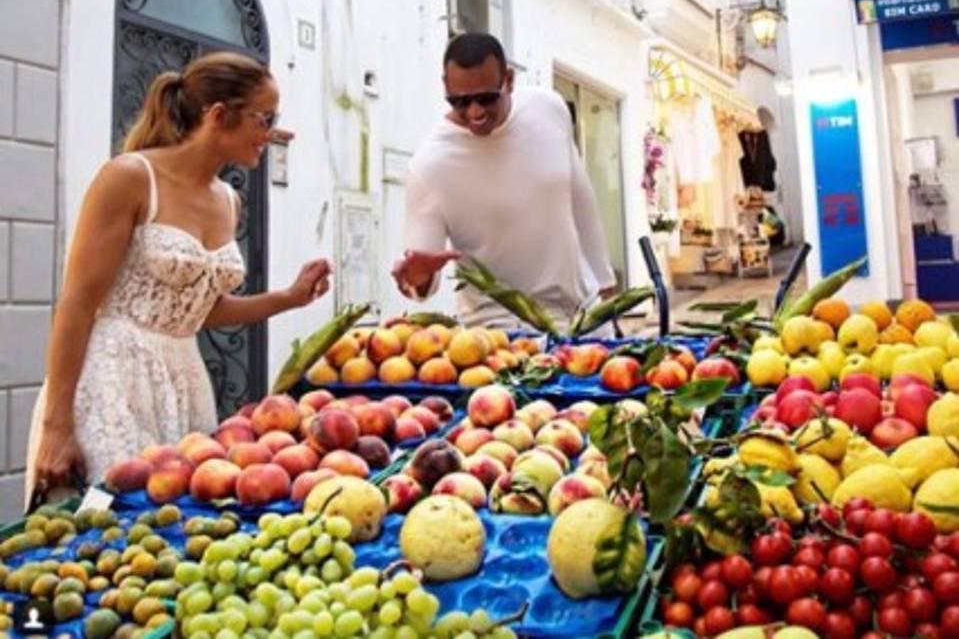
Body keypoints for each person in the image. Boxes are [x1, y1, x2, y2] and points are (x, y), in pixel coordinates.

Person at [26, 52, 331, 502]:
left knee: (175, 535)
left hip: (185, 381)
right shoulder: (130, 177)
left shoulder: (228, 200)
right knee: (108, 532)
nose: (271, 133)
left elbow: (197, 313)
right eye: (264, 119)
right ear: (218, 116)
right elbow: (76, 302)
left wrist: (290, 297)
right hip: (112, 381)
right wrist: (57, 425)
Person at [392, 32, 616, 329]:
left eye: (486, 98)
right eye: (460, 101)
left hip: (585, 315)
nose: (475, 111)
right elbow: (422, 281)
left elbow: (579, 198)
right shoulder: (429, 166)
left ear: (508, 80)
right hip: (502, 331)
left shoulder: (549, 108)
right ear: (445, 87)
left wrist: (605, 287)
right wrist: (417, 279)